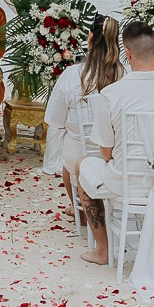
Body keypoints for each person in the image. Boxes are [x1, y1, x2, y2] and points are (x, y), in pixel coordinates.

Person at [75, 20, 154, 265]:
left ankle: (103, 249)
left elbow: (106, 152)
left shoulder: (112, 94)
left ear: (128, 53)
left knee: (82, 165)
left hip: (126, 182)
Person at [44, 15, 120, 228]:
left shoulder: (71, 75)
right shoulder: (126, 74)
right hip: (117, 156)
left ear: (90, 37)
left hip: (79, 156)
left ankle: (81, 209)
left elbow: (55, 121)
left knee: (69, 163)